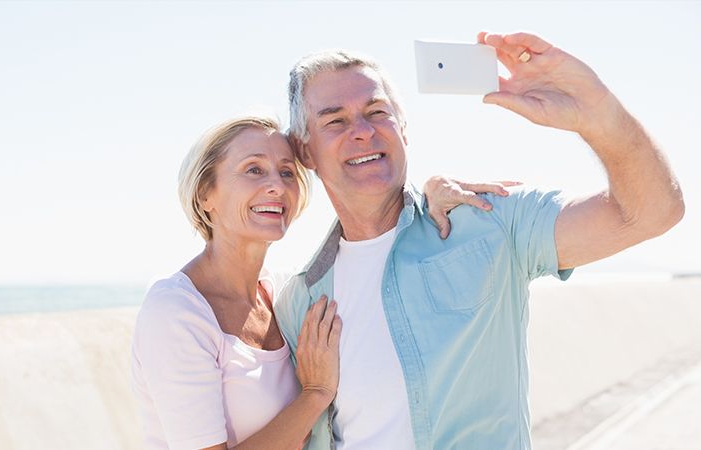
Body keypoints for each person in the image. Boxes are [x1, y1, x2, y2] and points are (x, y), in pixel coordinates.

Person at [274, 31, 685, 450]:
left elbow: (652, 212)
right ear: (305, 151)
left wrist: (597, 112)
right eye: (335, 120)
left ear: (403, 126)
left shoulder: (491, 222)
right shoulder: (299, 300)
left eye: (377, 111)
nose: (362, 131)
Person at [130, 116, 506, 449]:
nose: (277, 186)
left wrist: (432, 193)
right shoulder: (176, 311)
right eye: (254, 170)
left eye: (287, 172)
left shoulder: (284, 296)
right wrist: (314, 395)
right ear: (205, 194)